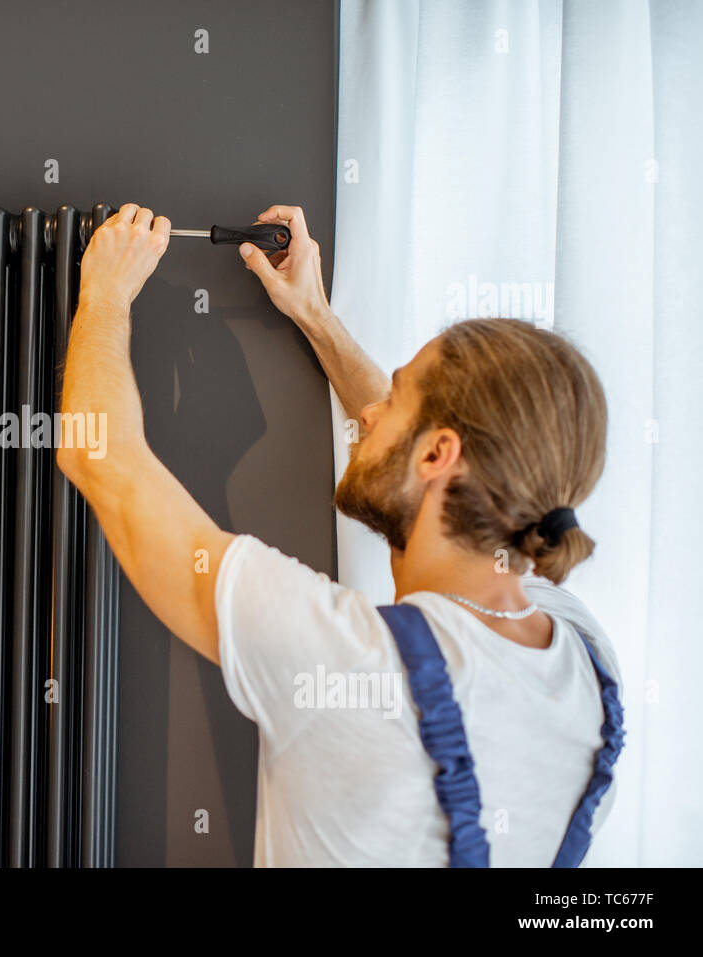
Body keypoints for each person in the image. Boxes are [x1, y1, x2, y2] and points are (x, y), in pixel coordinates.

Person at [57, 203, 623, 866]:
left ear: (439, 453)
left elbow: (98, 456)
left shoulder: (347, 659)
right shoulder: (584, 654)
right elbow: (411, 459)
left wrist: (103, 291)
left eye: (397, 396)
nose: (370, 411)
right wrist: (315, 314)